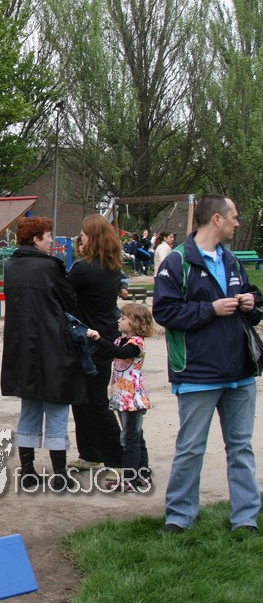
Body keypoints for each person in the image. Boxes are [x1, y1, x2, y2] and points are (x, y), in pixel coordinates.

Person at [153, 194, 262, 535]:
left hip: (240, 372)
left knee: (241, 449)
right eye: (234, 217)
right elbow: (164, 311)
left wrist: (251, 302)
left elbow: (254, 299)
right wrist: (210, 309)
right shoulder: (176, 262)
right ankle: (179, 517)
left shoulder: (231, 260)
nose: (237, 223)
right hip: (197, 373)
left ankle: (245, 519)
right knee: (191, 448)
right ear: (217, 219)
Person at [0, 216, 83, 490]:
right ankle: (59, 473)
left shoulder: (10, 266)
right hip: (52, 343)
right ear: (36, 239)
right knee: (57, 406)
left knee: (30, 408)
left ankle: (27, 470)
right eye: (48, 236)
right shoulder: (50, 266)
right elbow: (69, 300)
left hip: (21, 345)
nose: (51, 240)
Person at [67, 215, 125, 472]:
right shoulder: (112, 266)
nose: (80, 237)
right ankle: (91, 453)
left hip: (88, 340)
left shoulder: (84, 268)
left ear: (91, 236)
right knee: (89, 398)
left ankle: (117, 456)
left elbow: (64, 293)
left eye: (83, 234)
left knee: (92, 401)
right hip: (105, 337)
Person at [86, 302, 152, 491]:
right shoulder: (121, 340)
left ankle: (130, 478)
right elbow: (110, 350)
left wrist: (99, 339)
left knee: (130, 439)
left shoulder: (136, 343)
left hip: (132, 397)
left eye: (123, 318)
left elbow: (121, 353)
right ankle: (143, 475)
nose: (118, 320)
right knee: (136, 436)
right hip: (122, 396)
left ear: (134, 322)